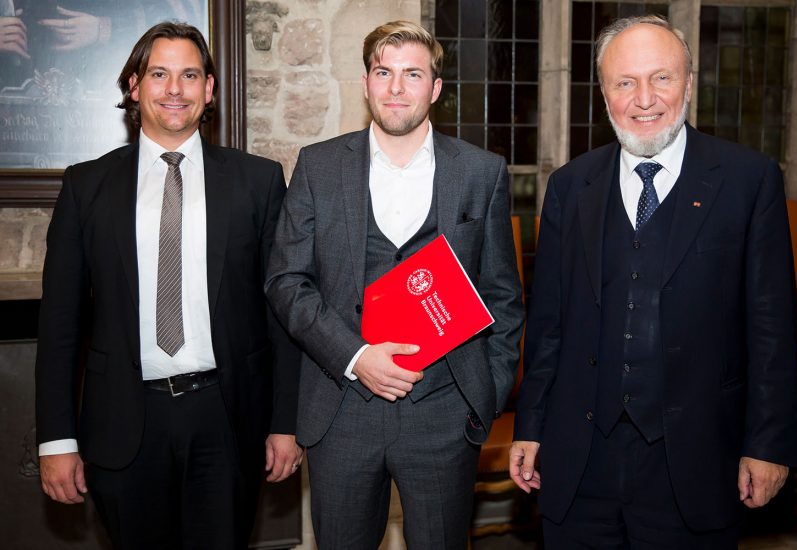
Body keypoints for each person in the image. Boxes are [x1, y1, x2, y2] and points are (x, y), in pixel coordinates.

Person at [510, 14, 797, 548]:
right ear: (603, 93)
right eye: (625, 82)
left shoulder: (747, 180)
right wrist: (530, 425)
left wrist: (770, 443)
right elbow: (548, 322)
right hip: (580, 459)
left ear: (689, 84)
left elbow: (772, 327)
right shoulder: (571, 187)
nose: (644, 99)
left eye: (661, 78)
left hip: (695, 458)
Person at [35, 21, 301, 550]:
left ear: (210, 89)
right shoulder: (86, 186)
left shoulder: (259, 181)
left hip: (227, 422)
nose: (174, 89)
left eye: (189, 75)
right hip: (124, 424)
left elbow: (282, 312)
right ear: (134, 87)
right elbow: (59, 324)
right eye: (159, 74)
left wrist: (285, 422)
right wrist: (56, 440)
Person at [265, 20, 524, 550]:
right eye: (383, 72)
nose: (396, 87)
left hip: (445, 414)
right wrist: (355, 356)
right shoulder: (318, 167)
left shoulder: (481, 173)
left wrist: (483, 395)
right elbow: (287, 280)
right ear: (366, 83)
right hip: (343, 411)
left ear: (435, 88)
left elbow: (503, 297)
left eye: (412, 74)